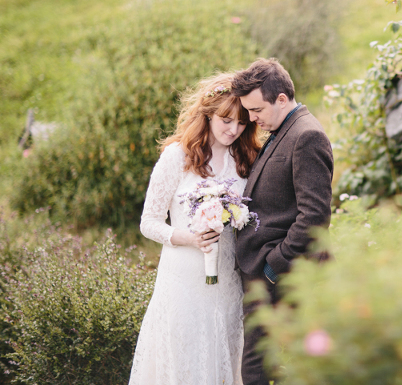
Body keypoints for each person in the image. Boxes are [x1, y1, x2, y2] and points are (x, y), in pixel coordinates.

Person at [129, 73, 261, 385]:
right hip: (183, 278)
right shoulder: (178, 155)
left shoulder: (244, 157)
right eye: (226, 120)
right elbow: (148, 223)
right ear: (208, 113)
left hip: (227, 278)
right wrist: (190, 238)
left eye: (242, 122)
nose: (233, 130)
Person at [232, 58, 334, 385]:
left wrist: (273, 266)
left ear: (281, 99)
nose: (252, 119)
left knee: (258, 367)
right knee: (263, 365)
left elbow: (314, 218)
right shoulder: (282, 129)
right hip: (266, 271)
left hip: (280, 274)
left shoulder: (307, 136)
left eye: (256, 110)